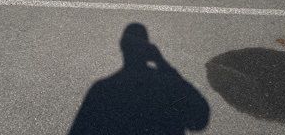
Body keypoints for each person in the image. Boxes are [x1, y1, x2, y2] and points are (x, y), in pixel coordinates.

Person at [69, 24, 209, 134]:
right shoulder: (166, 83)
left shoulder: (101, 88)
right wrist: (162, 63)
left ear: (122, 48)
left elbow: (80, 129)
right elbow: (199, 119)